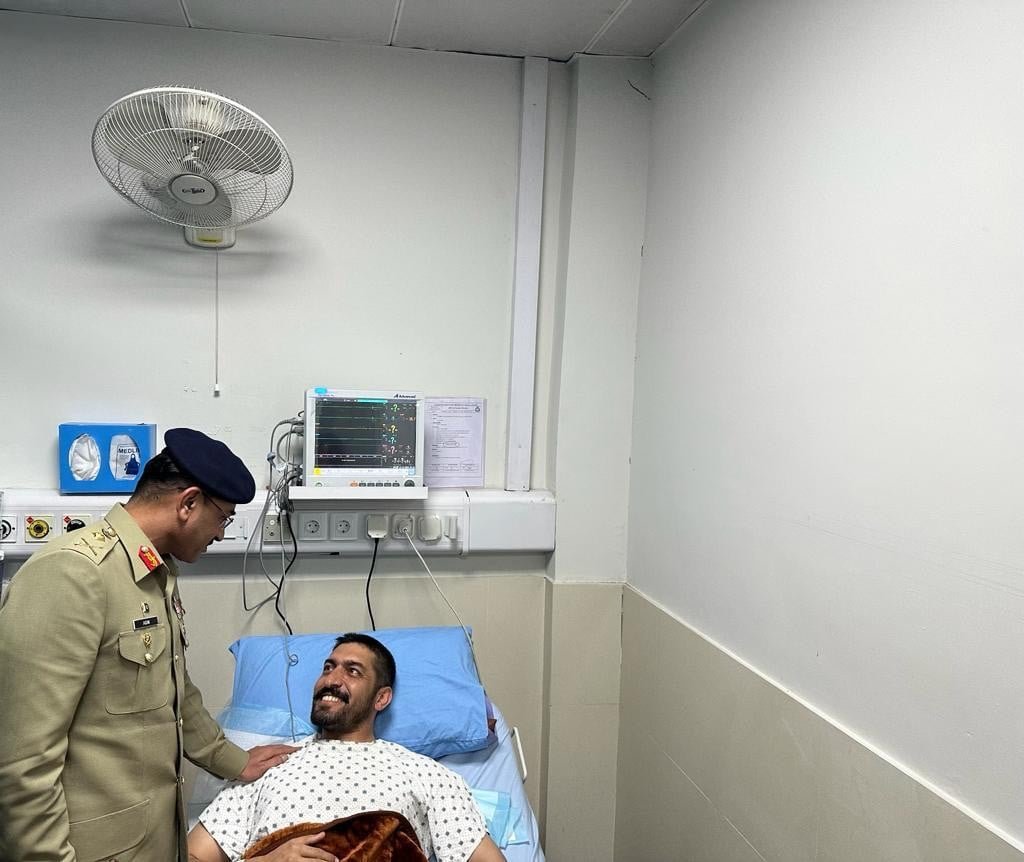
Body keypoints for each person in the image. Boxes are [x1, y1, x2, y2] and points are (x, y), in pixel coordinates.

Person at [0, 427, 297, 862]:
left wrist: (234, 760)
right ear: (188, 503)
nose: (221, 534)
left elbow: (175, 693)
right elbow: (22, 762)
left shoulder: (154, 573)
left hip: (153, 842)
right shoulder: (74, 574)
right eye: (223, 518)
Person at [188, 633, 507, 862]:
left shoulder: (426, 774)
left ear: (381, 698)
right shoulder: (267, 766)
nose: (331, 679)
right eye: (328, 668)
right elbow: (192, 856)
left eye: (352, 671)